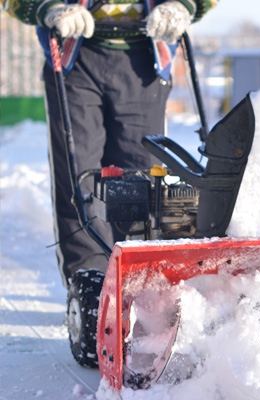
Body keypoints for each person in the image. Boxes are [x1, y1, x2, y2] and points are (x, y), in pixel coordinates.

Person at [2, 0, 218, 287]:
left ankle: (140, 279)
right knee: (77, 173)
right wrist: (49, 8)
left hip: (145, 58)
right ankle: (87, 281)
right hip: (74, 58)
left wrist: (183, 5)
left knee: (142, 177)